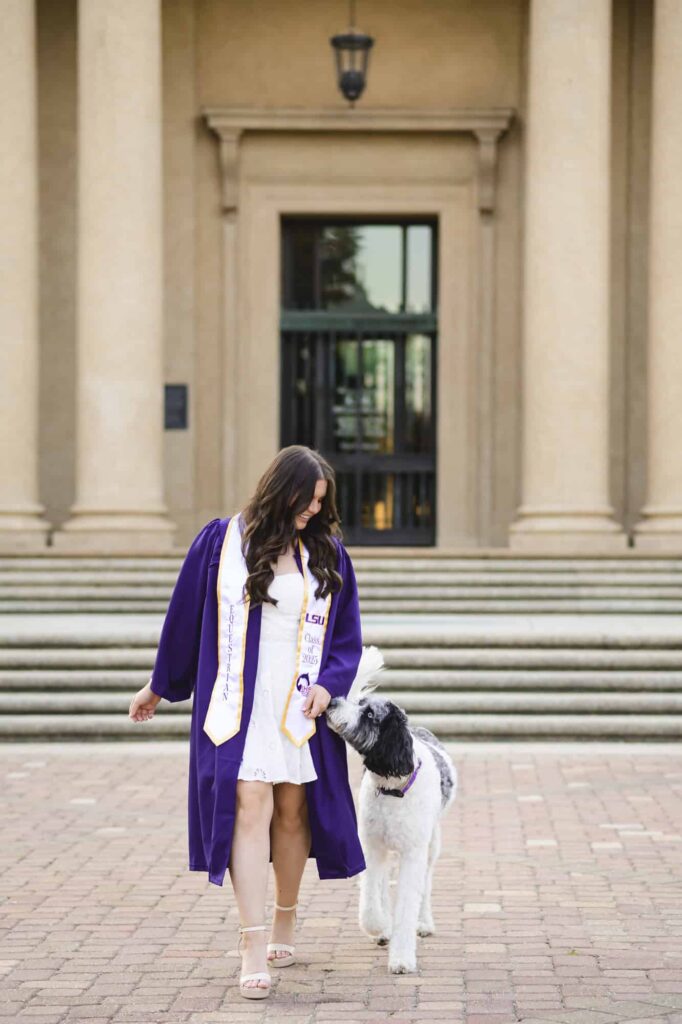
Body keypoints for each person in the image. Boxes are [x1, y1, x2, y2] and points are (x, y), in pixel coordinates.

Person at [128, 446, 365, 999]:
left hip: (299, 697)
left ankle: (285, 914)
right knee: (249, 800)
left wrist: (330, 685)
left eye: (320, 502)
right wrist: (159, 685)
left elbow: (347, 632)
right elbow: (184, 617)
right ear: (279, 490)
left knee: (291, 808)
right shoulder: (221, 543)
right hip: (239, 700)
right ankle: (251, 941)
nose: (312, 509)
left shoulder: (327, 553)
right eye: (306, 499)